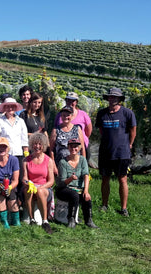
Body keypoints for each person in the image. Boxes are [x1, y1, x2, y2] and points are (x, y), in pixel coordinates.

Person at [96, 88, 136, 217]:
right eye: (110, 97)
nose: (112, 99)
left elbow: (133, 130)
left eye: (115, 97)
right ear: (108, 99)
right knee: (105, 178)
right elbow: (101, 130)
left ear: (119, 99)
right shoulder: (102, 113)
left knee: (122, 179)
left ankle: (123, 208)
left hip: (122, 152)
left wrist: (129, 144)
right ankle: (104, 204)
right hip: (105, 151)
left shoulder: (127, 113)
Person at [56, 138, 98, 229]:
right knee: (74, 195)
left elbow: (86, 175)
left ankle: (89, 220)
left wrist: (86, 191)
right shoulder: (63, 162)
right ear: (68, 147)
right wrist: (71, 178)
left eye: (76, 147)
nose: (73, 149)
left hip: (79, 188)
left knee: (86, 197)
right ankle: (71, 219)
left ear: (79, 148)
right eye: (71, 147)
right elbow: (62, 182)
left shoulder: (82, 160)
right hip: (64, 188)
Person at [0, 97, 28, 206]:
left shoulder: (21, 121)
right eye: (8, 106)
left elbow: (24, 140)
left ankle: (19, 205)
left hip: (18, 155)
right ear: (4, 108)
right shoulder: (0, 121)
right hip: (5, 155)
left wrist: (26, 155)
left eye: (12, 106)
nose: (10, 108)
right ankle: (6, 204)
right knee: (7, 180)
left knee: (19, 180)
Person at [23, 133, 55, 234]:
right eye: (35, 144)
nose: (37, 146)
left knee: (40, 192)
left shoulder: (48, 160)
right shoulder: (26, 160)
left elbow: (51, 181)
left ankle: (45, 221)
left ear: (44, 145)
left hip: (44, 188)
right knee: (28, 190)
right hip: (32, 186)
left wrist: (41, 187)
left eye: (40, 144)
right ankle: (31, 219)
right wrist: (28, 183)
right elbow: (24, 178)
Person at [53, 92, 93, 161]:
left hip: (79, 149)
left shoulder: (83, 115)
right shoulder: (59, 115)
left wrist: (81, 138)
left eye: (73, 101)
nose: (70, 102)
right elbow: (56, 129)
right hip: (63, 150)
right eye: (68, 100)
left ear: (76, 102)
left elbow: (88, 131)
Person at [50, 106, 86, 174]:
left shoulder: (77, 129)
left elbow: (82, 148)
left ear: (72, 116)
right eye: (63, 115)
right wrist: (53, 165)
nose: (66, 117)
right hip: (60, 164)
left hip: (76, 164)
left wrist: (84, 165)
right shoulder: (55, 130)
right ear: (61, 116)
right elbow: (51, 150)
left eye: (68, 115)